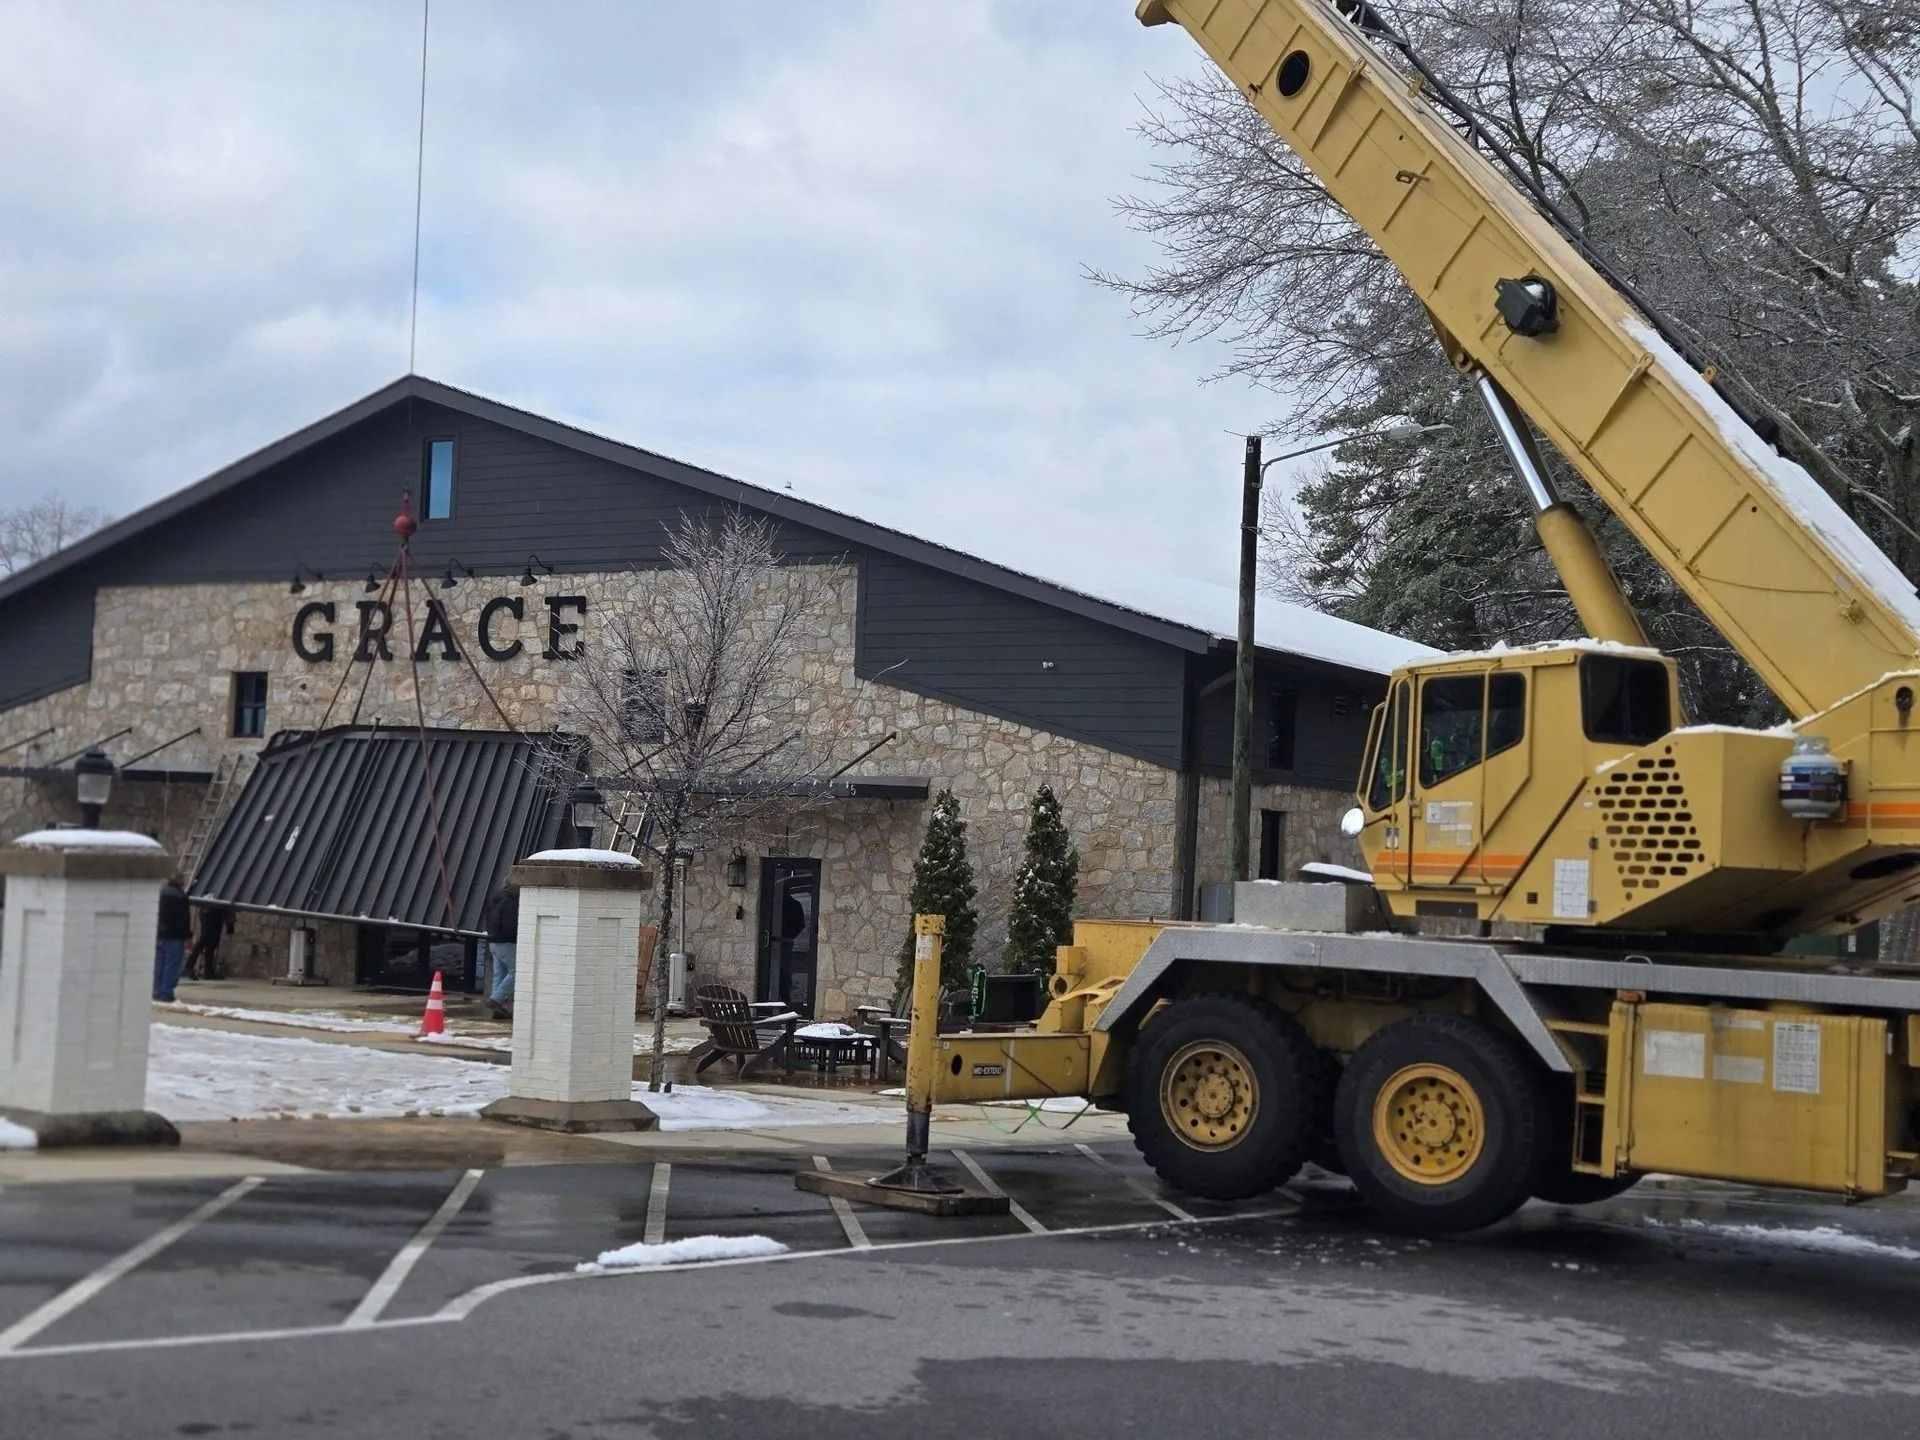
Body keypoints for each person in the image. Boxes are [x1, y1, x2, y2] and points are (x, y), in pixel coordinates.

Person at [154, 874, 192, 1003]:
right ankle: (166, 993)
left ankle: (156, 991)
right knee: (172, 965)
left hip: (159, 934)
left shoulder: (160, 892)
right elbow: (183, 919)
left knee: (159, 964)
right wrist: (187, 936)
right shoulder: (180, 896)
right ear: (179, 880)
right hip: (174, 935)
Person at [484, 883, 519, 1018]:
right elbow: (510, 925)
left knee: (500, 974)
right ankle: (496, 999)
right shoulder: (511, 902)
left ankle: (497, 1009)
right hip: (506, 942)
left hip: (493, 941)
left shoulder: (496, 898)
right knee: (516, 972)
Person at [184, 901, 234, 981]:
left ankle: (208, 971)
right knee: (205, 940)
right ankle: (189, 966)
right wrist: (230, 924)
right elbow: (229, 906)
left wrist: (230, 924)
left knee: (212, 943)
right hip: (209, 912)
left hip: (215, 912)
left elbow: (229, 906)